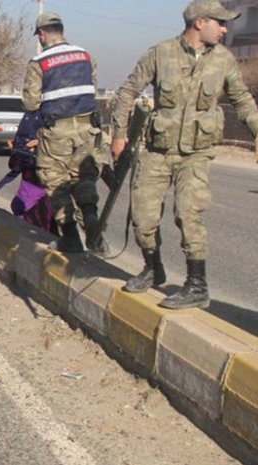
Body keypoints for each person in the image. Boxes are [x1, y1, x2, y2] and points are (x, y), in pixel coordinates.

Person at [111, 0, 258, 309]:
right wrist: (119, 135)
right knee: (143, 217)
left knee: (188, 213)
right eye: (220, 22)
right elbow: (127, 92)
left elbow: (242, 99)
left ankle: (197, 285)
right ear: (199, 22)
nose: (225, 28)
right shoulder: (160, 54)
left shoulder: (224, 60)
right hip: (158, 150)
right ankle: (153, 268)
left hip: (197, 152)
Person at [23, 12, 108, 256]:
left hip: (57, 131)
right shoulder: (85, 55)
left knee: (55, 181)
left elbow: (30, 103)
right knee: (83, 177)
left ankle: (70, 238)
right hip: (87, 128)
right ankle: (91, 218)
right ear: (61, 30)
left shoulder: (39, 62)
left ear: (42, 34)